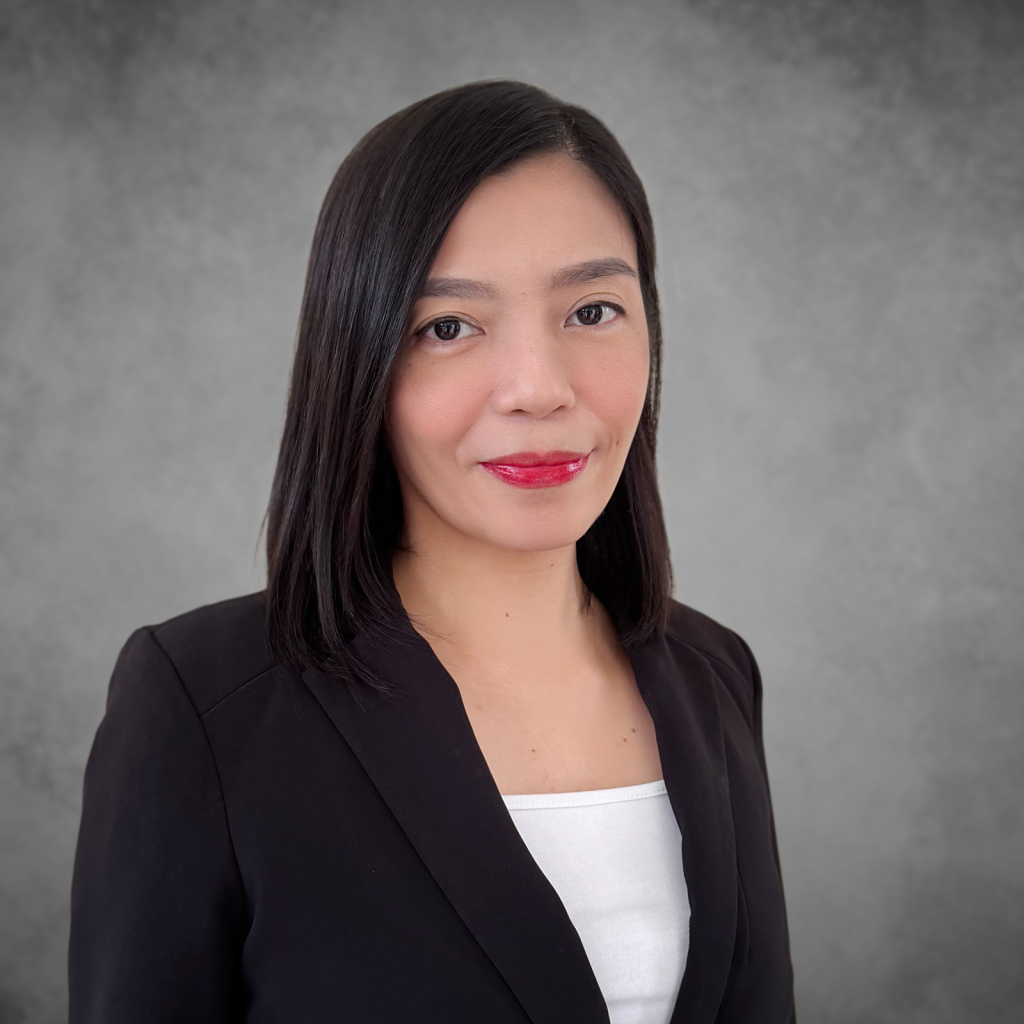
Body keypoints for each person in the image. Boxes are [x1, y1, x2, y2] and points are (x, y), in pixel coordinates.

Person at [69, 79, 796, 1024]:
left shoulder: (716, 676)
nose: (538, 389)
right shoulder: (203, 707)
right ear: (360, 363)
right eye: (448, 327)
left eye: (592, 311)